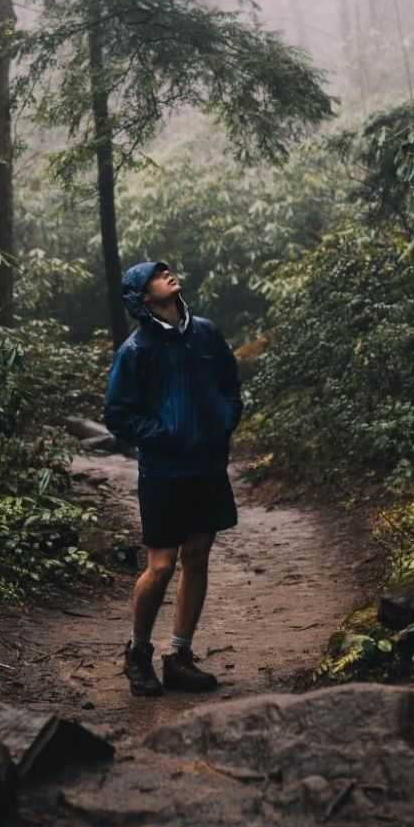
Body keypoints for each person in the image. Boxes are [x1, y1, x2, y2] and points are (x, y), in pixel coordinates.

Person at [104, 259, 243, 696]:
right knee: (161, 566)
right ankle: (137, 652)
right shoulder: (136, 350)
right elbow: (117, 414)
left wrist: (223, 421)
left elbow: (229, 384)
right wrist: (163, 437)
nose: (168, 276)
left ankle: (179, 657)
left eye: (167, 272)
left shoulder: (205, 332)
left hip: (207, 466)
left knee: (197, 556)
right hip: (164, 471)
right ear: (144, 297)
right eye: (156, 276)